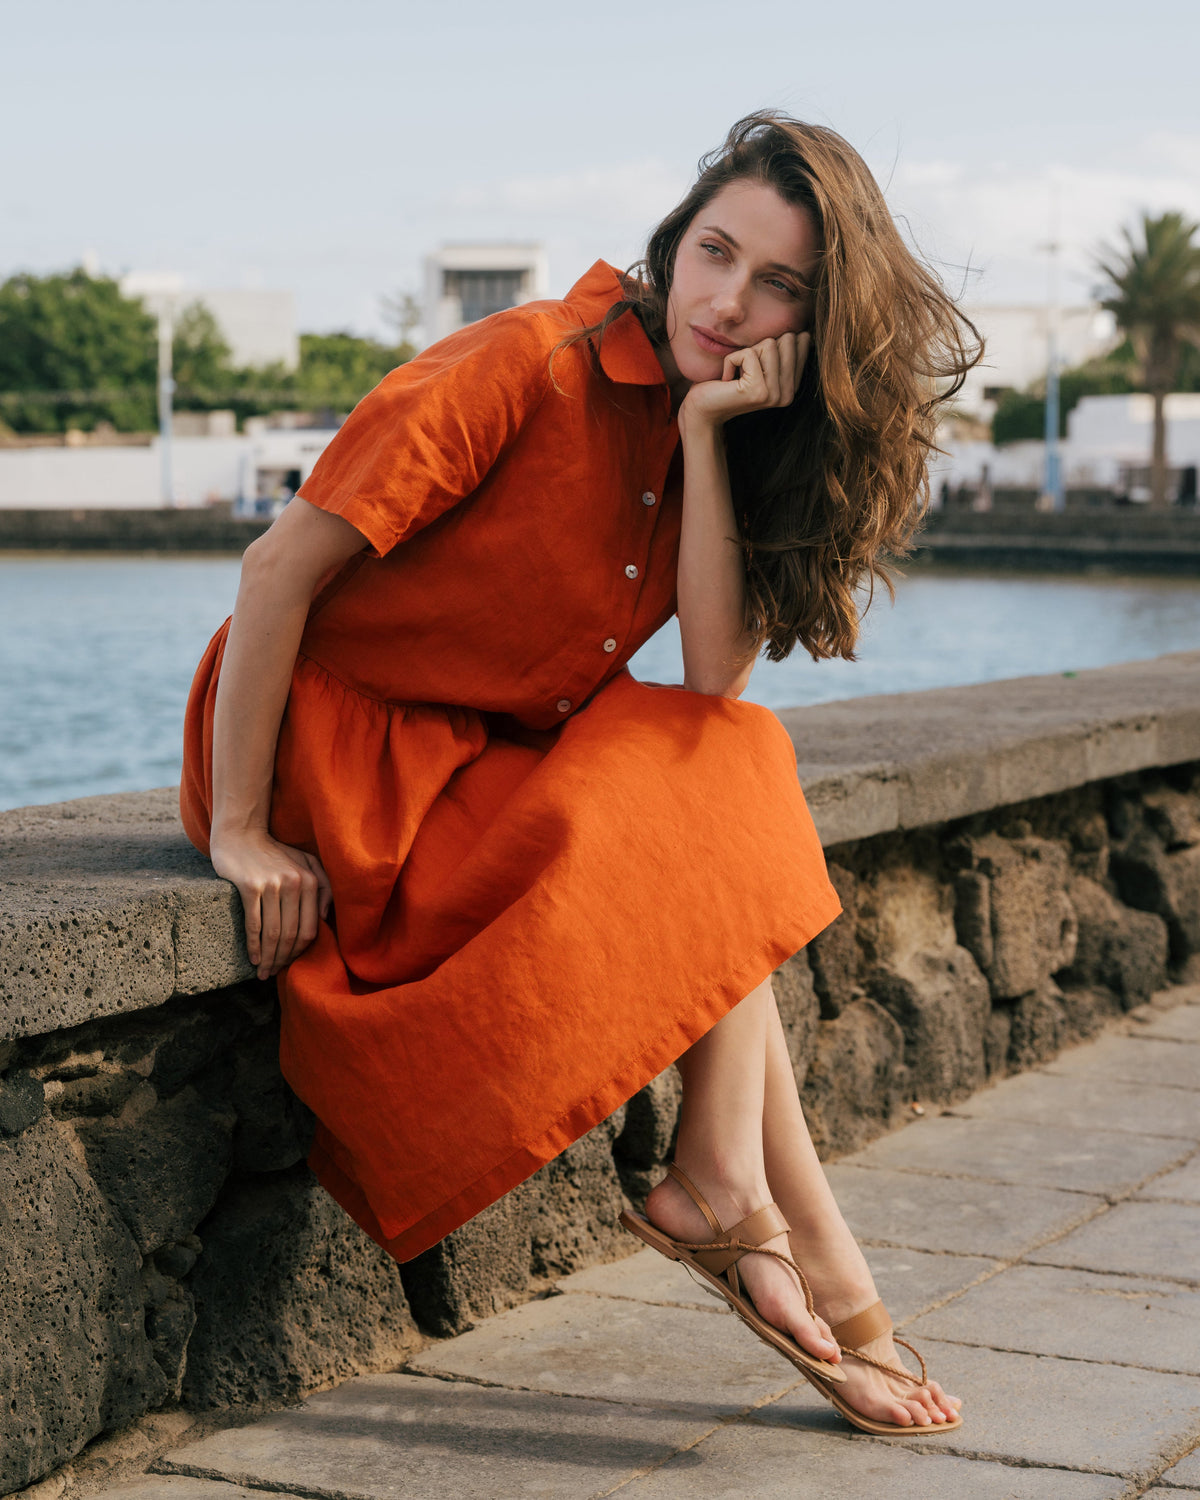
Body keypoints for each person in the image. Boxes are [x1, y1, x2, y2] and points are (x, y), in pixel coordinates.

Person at [181, 111, 978, 1434]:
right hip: (336, 752)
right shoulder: (522, 360)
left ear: (813, 319)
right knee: (721, 810)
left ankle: (756, 1214)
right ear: (674, 243)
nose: (728, 302)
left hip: (477, 763)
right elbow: (276, 574)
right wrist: (242, 832)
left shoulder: (696, 417)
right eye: (716, 253)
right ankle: (793, 1251)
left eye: (779, 283)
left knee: (729, 767)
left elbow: (713, 673)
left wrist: (712, 434)